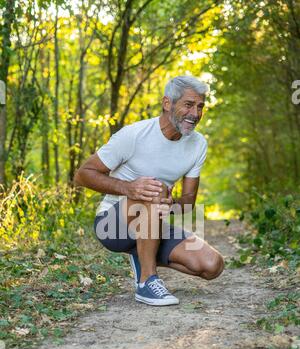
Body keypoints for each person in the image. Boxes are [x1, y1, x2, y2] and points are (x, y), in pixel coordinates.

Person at [74, 76, 224, 306]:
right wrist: (129, 188)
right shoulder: (134, 135)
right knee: (152, 191)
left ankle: (142, 252)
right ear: (167, 103)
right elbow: (82, 174)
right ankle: (147, 282)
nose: (195, 113)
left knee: (212, 265)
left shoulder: (198, 144)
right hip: (112, 226)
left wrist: (169, 203)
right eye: (188, 104)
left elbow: (188, 204)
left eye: (200, 106)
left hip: (153, 224)